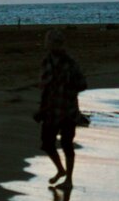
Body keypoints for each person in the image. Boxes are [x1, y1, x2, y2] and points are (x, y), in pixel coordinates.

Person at [34, 29, 87, 188]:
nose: (52, 45)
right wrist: (42, 109)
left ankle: (69, 180)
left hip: (68, 111)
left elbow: (82, 84)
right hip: (51, 111)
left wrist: (69, 87)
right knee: (47, 144)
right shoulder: (46, 62)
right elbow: (44, 88)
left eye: (54, 42)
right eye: (50, 42)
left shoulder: (70, 63)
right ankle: (61, 170)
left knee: (67, 144)